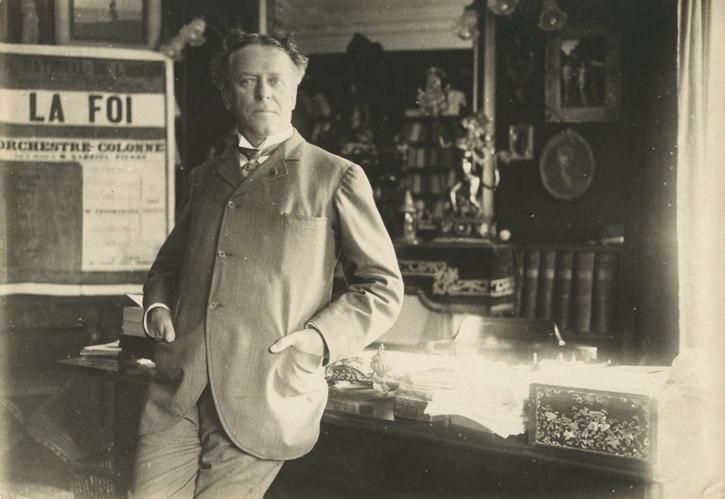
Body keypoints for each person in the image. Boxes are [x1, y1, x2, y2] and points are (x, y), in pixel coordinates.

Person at [132, 30, 404, 498]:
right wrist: (157, 307)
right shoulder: (204, 177)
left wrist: (319, 338)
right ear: (226, 94)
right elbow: (169, 264)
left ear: (296, 89)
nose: (264, 93)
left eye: (276, 81)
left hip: (266, 394)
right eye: (247, 81)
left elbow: (381, 287)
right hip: (179, 391)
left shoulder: (335, 176)